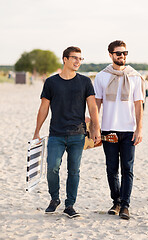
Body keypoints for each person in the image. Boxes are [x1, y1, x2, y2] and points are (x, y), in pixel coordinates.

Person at [33, 46, 101, 218]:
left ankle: (70, 205)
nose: (78, 61)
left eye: (80, 58)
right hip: (56, 134)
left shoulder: (85, 82)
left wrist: (95, 128)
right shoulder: (51, 82)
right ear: (65, 59)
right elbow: (43, 109)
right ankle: (54, 199)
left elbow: (93, 107)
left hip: (78, 134)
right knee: (52, 168)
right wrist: (36, 131)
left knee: (74, 171)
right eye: (75, 58)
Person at [94, 40, 144, 220]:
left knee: (128, 169)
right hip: (108, 129)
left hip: (129, 130)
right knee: (111, 168)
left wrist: (139, 129)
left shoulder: (135, 77)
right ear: (110, 55)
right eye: (118, 53)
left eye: (124, 53)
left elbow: (139, 105)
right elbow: (96, 104)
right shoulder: (101, 76)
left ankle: (125, 205)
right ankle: (116, 201)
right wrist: (95, 127)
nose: (122, 56)